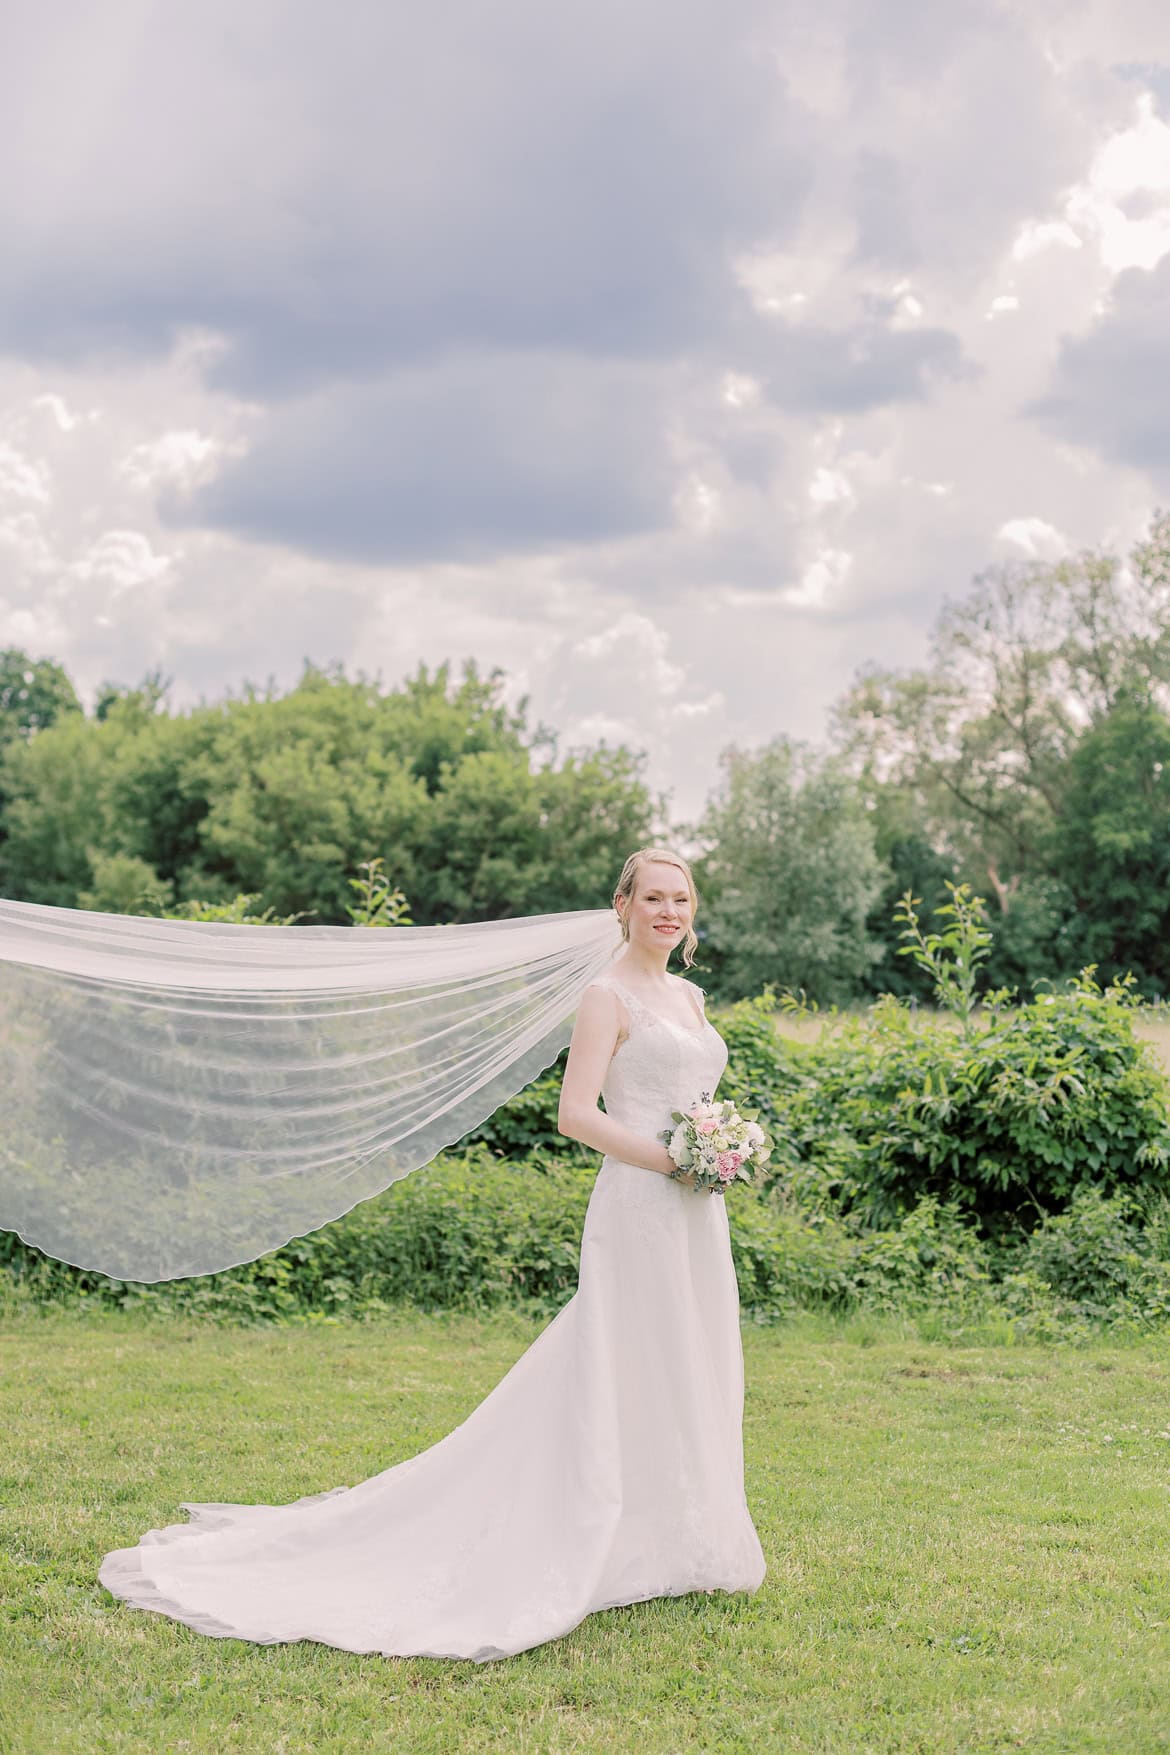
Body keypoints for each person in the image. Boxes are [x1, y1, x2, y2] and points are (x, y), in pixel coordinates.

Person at [98, 845, 767, 1662]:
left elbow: (694, 1098)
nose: (671, 911)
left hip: (698, 1211)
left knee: (690, 1358)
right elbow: (576, 1114)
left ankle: (678, 1538)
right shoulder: (605, 995)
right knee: (627, 1355)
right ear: (621, 906)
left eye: (683, 899)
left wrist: (721, 1144)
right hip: (640, 1202)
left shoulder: (690, 997)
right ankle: (596, 1527)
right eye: (655, 897)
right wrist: (673, 1157)